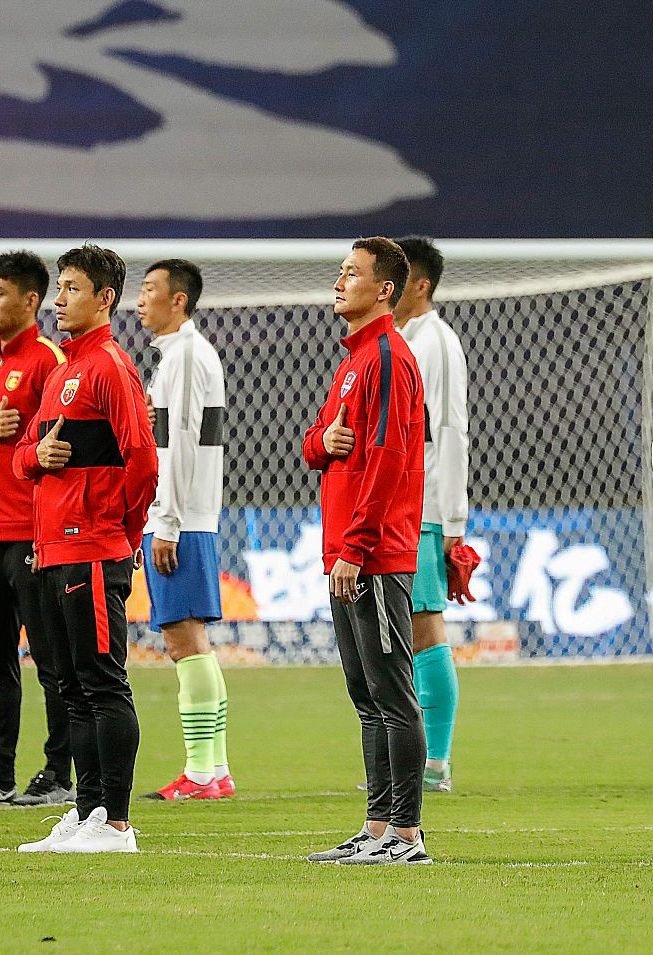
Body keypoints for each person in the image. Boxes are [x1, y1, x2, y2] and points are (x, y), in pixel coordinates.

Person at [13, 245, 157, 854]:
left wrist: (121, 534)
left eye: (72, 288)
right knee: (69, 686)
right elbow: (22, 455)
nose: (60, 299)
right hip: (52, 549)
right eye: (60, 287)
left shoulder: (110, 368)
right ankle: (86, 811)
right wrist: (36, 456)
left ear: (105, 298)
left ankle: (116, 823)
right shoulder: (61, 373)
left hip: (93, 548)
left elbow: (143, 461)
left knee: (102, 683)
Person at [302, 237, 431, 866]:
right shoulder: (353, 361)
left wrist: (356, 546)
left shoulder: (387, 357)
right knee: (367, 695)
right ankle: (377, 828)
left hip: (372, 554)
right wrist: (322, 442)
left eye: (351, 273)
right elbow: (315, 444)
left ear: (383, 289)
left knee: (392, 693)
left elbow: (389, 459)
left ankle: (406, 836)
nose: (339, 281)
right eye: (340, 271)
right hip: (345, 551)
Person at [0, 250, 75, 808]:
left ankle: (57, 772)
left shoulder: (50, 360)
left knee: (51, 660)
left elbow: (64, 444)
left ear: (30, 300)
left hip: (34, 533)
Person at [136, 259, 234, 802]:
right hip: (184, 517)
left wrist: (168, 521)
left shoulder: (188, 356)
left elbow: (184, 444)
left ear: (178, 300)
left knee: (185, 643)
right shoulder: (178, 355)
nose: (140, 300)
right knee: (193, 643)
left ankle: (200, 775)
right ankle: (214, 769)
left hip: (181, 519)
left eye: (150, 289)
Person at [391, 236, 468, 794]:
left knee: (424, 625)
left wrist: (452, 519)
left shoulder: (434, 343)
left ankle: (436, 761)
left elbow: (449, 431)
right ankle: (419, 756)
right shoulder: (403, 340)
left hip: (424, 508)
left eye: (399, 280)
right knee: (406, 628)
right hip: (403, 505)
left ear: (420, 285)